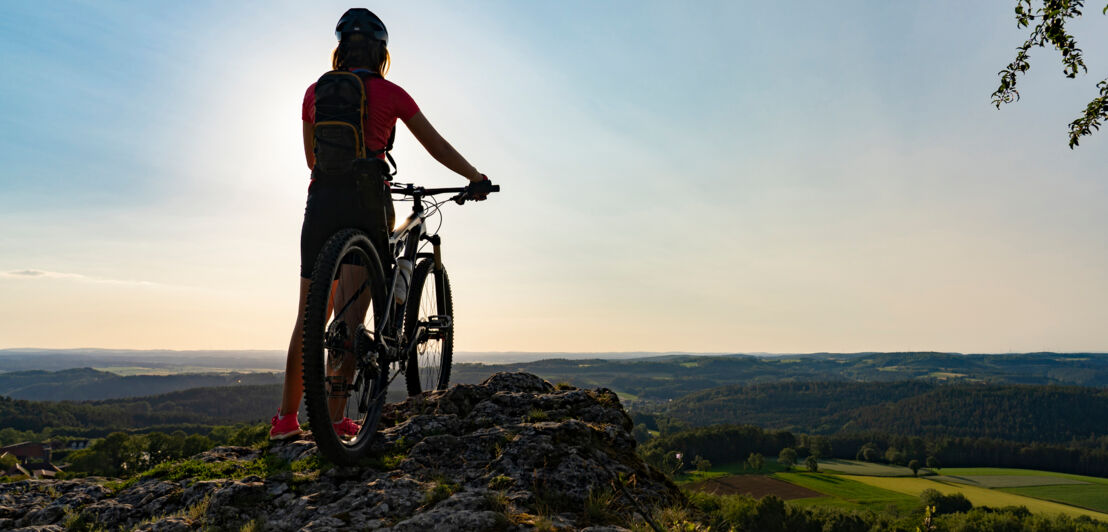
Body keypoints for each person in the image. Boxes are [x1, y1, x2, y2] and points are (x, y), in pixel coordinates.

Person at [271, 8, 490, 440]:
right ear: (381, 53)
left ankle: (285, 420)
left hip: (320, 202)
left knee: (308, 315)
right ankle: (335, 421)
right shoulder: (391, 94)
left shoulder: (314, 92)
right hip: (366, 201)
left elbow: (311, 160)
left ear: (341, 50)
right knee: (352, 318)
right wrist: (474, 177)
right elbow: (435, 144)